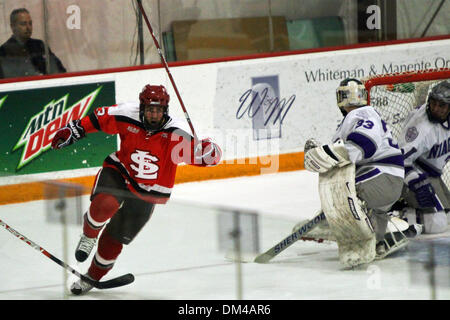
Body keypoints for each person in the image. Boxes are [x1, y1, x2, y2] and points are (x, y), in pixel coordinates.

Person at [51, 84, 222, 295]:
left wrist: (210, 153)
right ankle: (89, 235)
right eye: (150, 109)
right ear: (142, 107)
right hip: (121, 172)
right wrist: (75, 129)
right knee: (103, 206)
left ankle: (92, 276)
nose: (154, 114)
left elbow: (205, 156)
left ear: (165, 110)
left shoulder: (177, 132)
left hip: (149, 192)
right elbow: (97, 119)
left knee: (114, 239)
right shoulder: (126, 113)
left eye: (158, 110)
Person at [300, 78, 406, 259]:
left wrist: (324, 154)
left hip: (380, 178)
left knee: (340, 190)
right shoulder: (359, 118)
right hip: (389, 183)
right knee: (370, 220)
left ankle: (336, 229)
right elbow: (350, 150)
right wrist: (329, 152)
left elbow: (365, 144)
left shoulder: (361, 115)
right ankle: (381, 238)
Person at [397, 80, 450, 236]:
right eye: (433, 103)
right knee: (436, 225)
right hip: (409, 172)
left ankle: (412, 207)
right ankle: (401, 211)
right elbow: (399, 162)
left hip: (431, 173)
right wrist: (416, 184)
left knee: (447, 217)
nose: (435, 109)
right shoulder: (422, 128)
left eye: (442, 105)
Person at [0, 8, 66, 78]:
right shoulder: (4, 51)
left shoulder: (40, 46)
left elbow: (59, 70)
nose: (28, 27)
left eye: (30, 23)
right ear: (13, 26)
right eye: (23, 24)